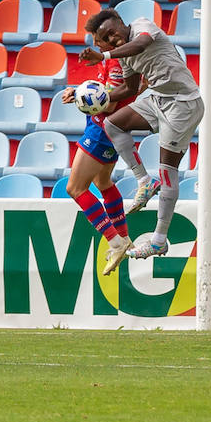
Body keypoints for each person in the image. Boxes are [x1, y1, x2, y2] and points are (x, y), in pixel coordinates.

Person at [84, 6, 206, 266]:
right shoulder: (124, 56)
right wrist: (91, 96)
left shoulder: (141, 25)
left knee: (167, 170)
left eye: (113, 30)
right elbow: (129, 88)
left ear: (120, 22)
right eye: (107, 37)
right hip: (158, 99)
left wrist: (104, 55)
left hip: (183, 105)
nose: (114, 36)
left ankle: (159, 241)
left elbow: (140, 45)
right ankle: (143, 180)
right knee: (113, 124)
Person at [61, 47, 139, 275]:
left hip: (100, 130)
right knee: (103, 182)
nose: (94, 45)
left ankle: (115, 242)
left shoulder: (116, 64)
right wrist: (78, 91)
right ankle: (124, 237)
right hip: (111, 128)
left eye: (97, 39)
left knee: (75, 188)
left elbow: (109, 103)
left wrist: (78, 96)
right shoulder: (123, 60)